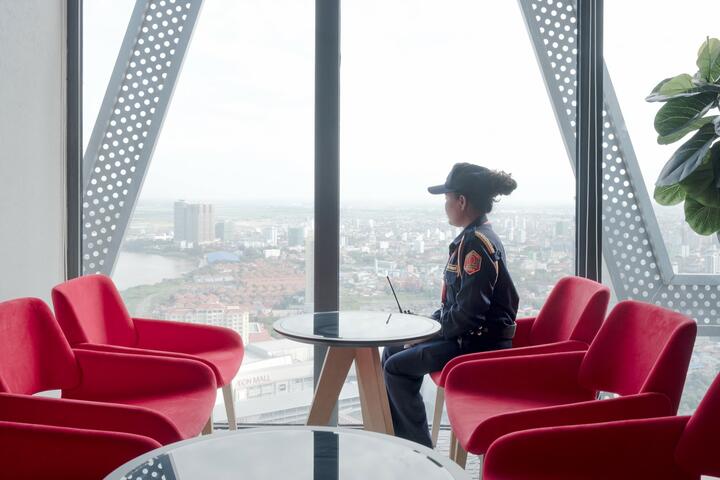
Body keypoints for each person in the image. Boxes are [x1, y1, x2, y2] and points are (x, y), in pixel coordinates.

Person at [381, 162, 519, 448]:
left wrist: (427, 333)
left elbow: (468, 315)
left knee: (396, 368)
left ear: (461, 201)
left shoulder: (476, 245)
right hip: (467, 335)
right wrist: (423, 325)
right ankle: (399, 440)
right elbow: (456, 306)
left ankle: (418, 451)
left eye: (447, 199)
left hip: (478, 343)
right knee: (392, 350)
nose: (445, 206)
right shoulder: (472, 238)